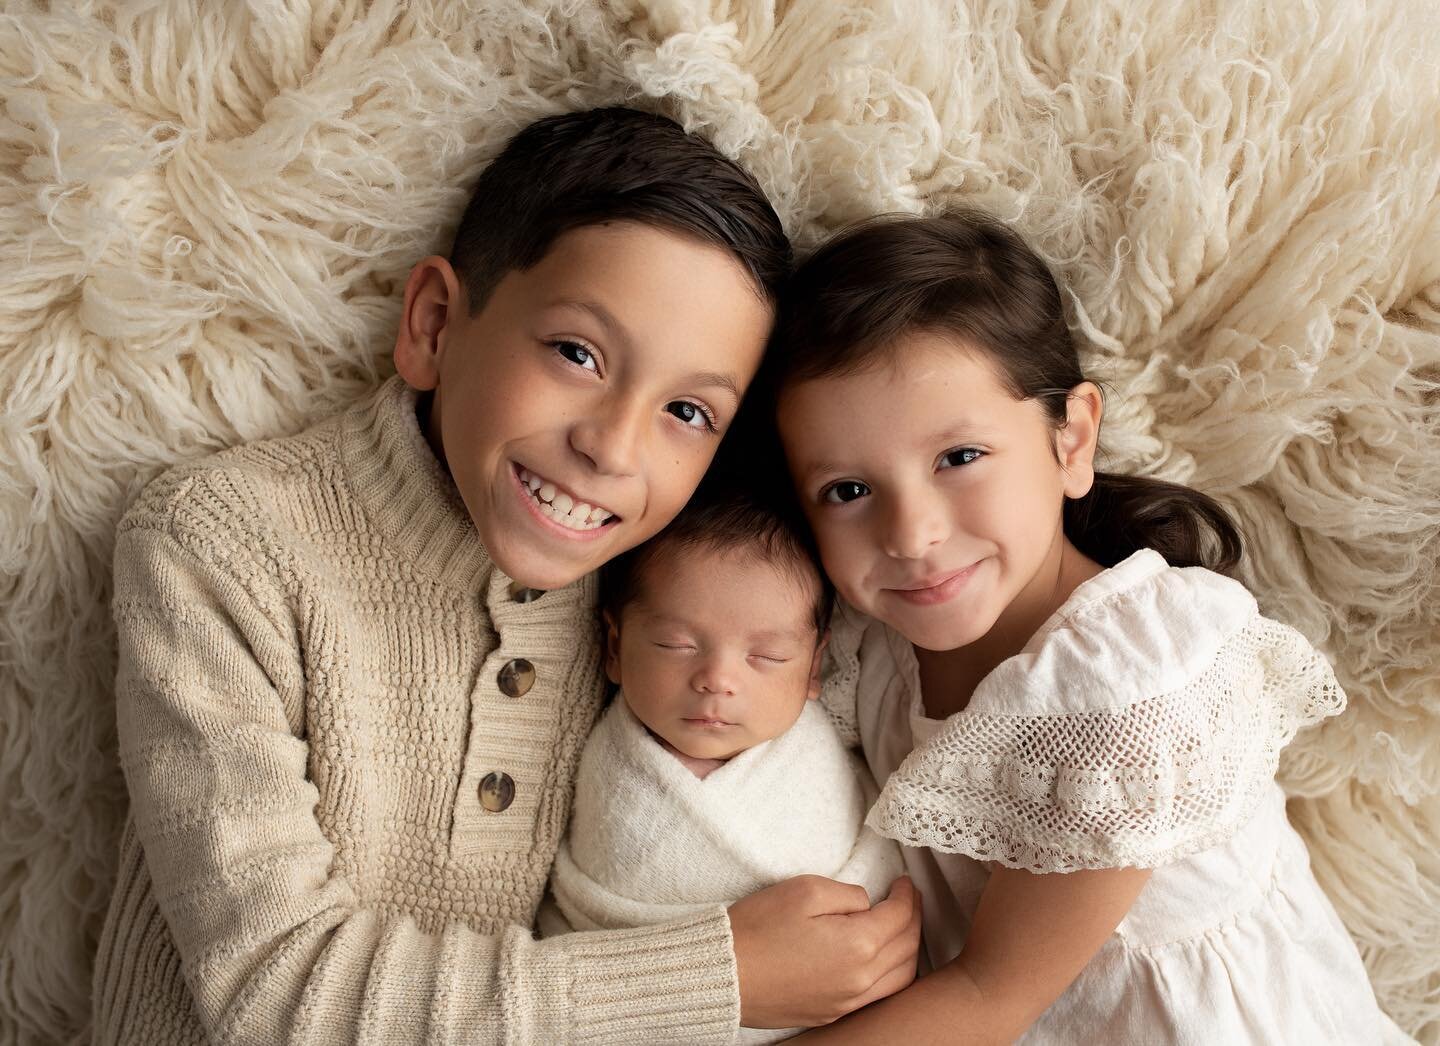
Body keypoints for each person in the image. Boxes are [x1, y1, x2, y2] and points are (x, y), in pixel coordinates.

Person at [90, 106, 920, 1046]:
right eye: (578, 354)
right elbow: (274, 992)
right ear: (436, 325)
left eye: (687, 410)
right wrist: (723, 977)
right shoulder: (226, 542)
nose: (612, 447)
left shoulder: (665, 588)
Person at [767, 211, 1412, 1043]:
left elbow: (987, 998)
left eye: (959, 458)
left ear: (1071, 440)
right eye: (849, 490)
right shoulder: (873, 652)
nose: (911, 534)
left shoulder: (1124, 688)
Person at [540, 486, 905, 1043]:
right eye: (675, 644)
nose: (717, 678)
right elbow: (584, 917)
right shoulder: (603, 760)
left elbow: (873, 868)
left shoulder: (822, 754)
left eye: (767, 657)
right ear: (613, 647)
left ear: (813, 669)